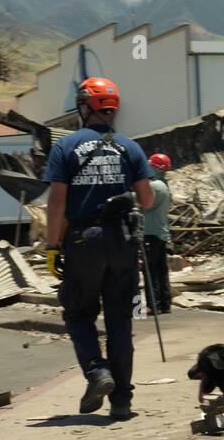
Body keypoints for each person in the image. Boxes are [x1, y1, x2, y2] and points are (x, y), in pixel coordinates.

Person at [43, 77, 154, 420]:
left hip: (84, 240)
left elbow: (56, 202)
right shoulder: (130, 148)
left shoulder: (66, 147)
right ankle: (122, 401)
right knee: (120, 320)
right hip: (122, 239)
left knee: (78, 312)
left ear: (85, 107)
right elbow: (147, 199)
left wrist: (51, 247)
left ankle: (96, 371)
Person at [142, 153, 173, 314]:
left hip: (151, 233)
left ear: (154, 167)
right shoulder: (165, 185)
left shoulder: (154, 186)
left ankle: (152, 305)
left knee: (150, 270)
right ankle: (165, 303)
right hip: (160, 232)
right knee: (161, 270)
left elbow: (144, 204)